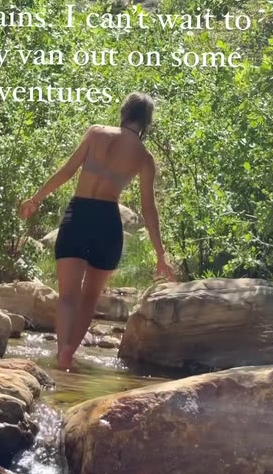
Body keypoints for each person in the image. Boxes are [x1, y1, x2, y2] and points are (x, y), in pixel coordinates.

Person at [18, 92, 176, 371]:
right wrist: (160, 253)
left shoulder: (96, 133)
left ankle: (61, 354)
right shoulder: (144, 157)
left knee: (68, 295)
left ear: (124, 111)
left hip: (78, 216)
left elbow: (67, 171)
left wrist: (36, 198)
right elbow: (149, 209)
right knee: (89, 298)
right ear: (146, 122)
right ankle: (68, 354)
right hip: (107, 223)